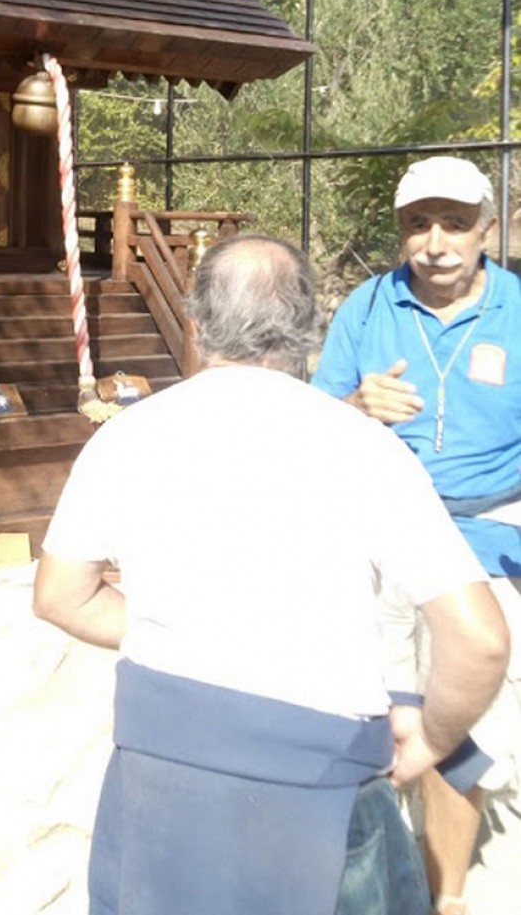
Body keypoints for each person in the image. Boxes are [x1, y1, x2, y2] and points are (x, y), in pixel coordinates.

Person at [34, 233, 508, 915]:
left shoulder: (126, 434)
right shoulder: (364, 447)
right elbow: (480, 639)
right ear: (310, 325)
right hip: (319, 782)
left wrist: (192, 627)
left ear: (196, 320)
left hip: (158, 772)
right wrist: (433, 738)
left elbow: (60, 595)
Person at [313, 155, 521, 913]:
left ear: (486, 230)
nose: (434, 244)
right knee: (363, 708)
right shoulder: (367, 308)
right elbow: (312, 422)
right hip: (377, 530)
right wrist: (354, 406)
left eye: (454, 224)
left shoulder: (517, 313)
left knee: (456, 720)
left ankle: (447, 897)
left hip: (484, 537)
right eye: (417, 224)